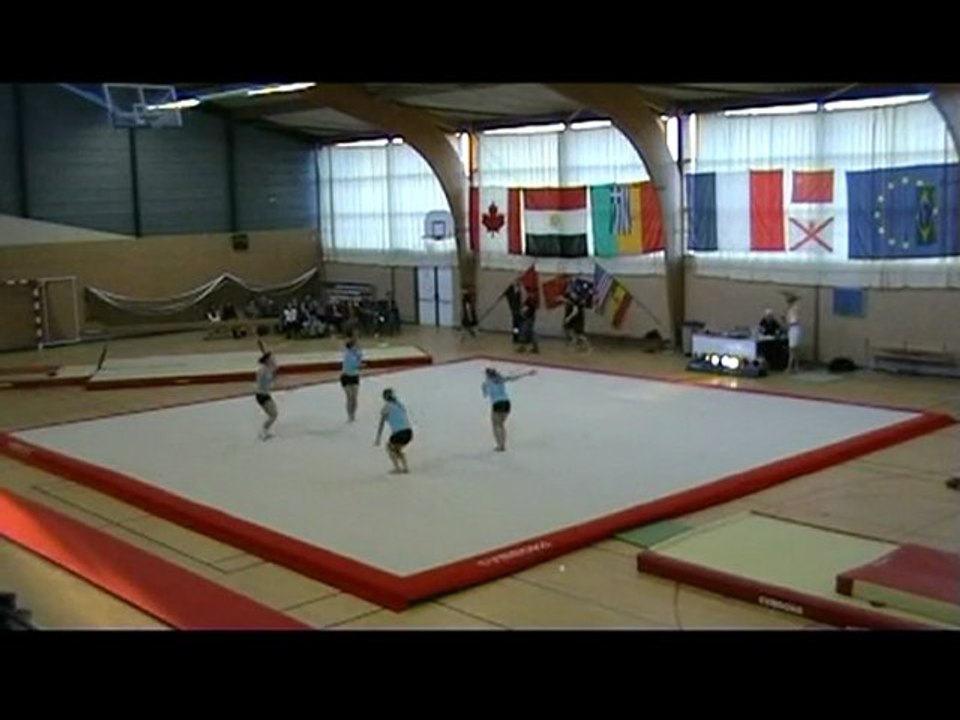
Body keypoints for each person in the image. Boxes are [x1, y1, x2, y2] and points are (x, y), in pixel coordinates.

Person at [481, 366, 536, 451]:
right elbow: (514, 377)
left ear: (487, 375)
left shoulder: (486, 383)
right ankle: (502, 445)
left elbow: (485, 395)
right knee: (501, 425)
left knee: (495, 425)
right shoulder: (501, 379)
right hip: (507, 403)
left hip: (497, 403)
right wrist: (527, 373)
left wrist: (484, 388)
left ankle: (500, 446)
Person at [374, 388, 413, 474]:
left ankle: (397, 468)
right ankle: (405, 467)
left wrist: (378, 437)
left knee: (389, 448)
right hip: (409, 432)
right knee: (397, 449)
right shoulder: (400, 404)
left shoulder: (386, 407)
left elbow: (381, 424)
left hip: (399, 433)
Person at [254, 351, 279, 440]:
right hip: (262, 395)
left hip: (265, 393)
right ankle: (263, 431)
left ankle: (265, 430)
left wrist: (274, 373)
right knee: (273, 414)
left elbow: (272, 381)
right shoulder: (263, 370)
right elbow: (265, 382)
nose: (275, 360)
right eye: (272, 359)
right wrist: (273, 373)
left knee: (273, 414)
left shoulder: (268, 369)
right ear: (268, 360)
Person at [340, 338, 364, 422]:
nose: (357, 347)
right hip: (346, 377)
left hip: (354, 377)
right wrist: (360, 365)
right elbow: (353, 365)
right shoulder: (347, 355)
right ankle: (349, 415)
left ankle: (353, 414)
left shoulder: (358, 353)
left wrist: (360, 361)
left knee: (354, 398)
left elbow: (360, 362)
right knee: (349, 397)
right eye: (355, 346)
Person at [785, 294, 801, 373]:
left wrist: (794, 298)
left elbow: (795, 321)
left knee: (793, 349)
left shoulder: (794, 309)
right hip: (791, 330)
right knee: (793, 350)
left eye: (788, 302)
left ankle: (790, 367)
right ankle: (795, 366)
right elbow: (788, 321)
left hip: (794, 329)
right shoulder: (790, 310)